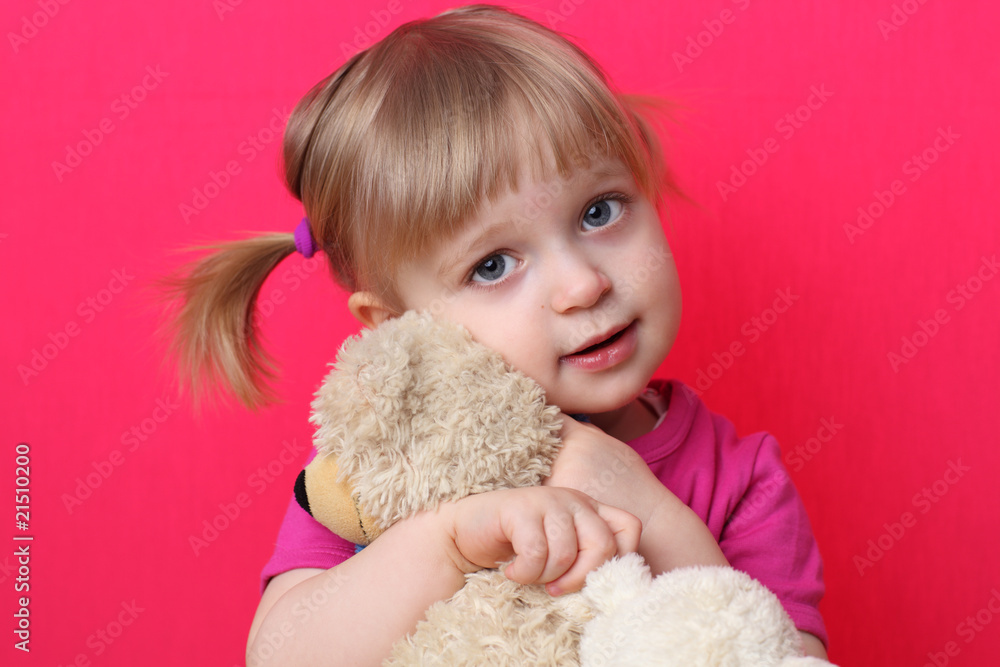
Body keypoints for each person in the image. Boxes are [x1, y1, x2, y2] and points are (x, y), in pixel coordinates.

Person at [162, 5, 828, 664]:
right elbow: (281, 656)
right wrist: (446, 543)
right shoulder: (384, 467)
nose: (582, 285)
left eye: (599, 211)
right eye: (492, 266)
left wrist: (651, 514)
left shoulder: (742, 482)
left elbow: (782, 658)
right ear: (401, 326)